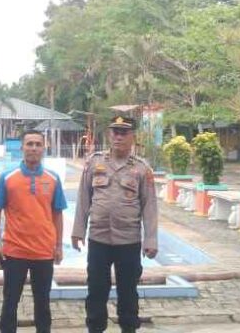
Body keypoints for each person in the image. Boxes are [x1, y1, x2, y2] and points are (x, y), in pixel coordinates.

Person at [71, 115, 159, 333]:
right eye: (115, 132)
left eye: (124, 133)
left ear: (132, 137)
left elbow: (149, 206)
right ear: (110, 135)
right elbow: (84, 197)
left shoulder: (142, 169)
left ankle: (128, 328)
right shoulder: (94, 163)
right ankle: (95, 329)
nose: (118, 137)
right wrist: (78, 230)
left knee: (128, 292)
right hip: (98, 239)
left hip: (128, 241)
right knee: (96, 290)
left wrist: (151, 239)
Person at [0, 130, 66, 333]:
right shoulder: (8, 178)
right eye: (29, 144)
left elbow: (57, 214)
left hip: (44, 251)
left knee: (43, 302)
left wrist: (58, 246)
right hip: (15, 251)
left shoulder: (53, 178)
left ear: (44, 148)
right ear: (22, 147)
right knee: (10, 301)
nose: (33, 148)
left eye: (38, 144)